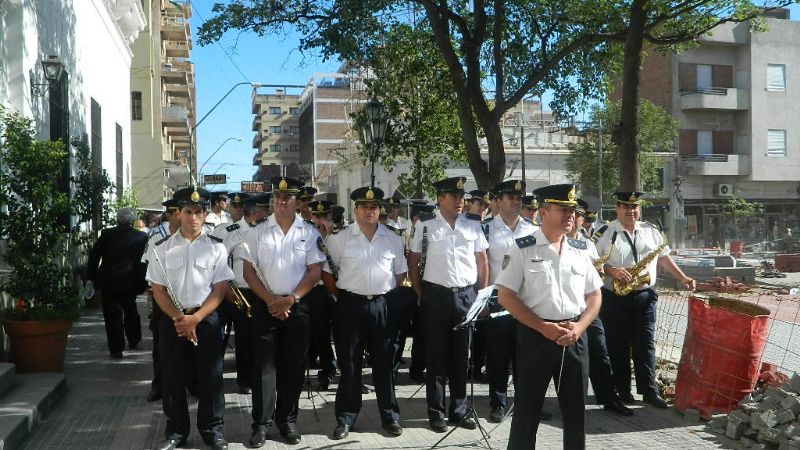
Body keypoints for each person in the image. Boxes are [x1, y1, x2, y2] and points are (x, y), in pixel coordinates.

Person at [496, 183, 603, 450]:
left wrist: (579, 327)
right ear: (543, 212)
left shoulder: (580, 249)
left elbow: (594, 295)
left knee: (576, 413)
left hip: (574, 336)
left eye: (572, 210)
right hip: (536, 336)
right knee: (527, 410)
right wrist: (542, 327)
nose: (570, 215)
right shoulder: (523, 248)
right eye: (562, 209)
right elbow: (505, 296)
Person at [240, 177, 326, 447]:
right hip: (266, 307)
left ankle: (287, 421)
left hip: (297, 308)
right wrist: (271, 301)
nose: (281, 201)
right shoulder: (258, 231)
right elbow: (248, 271)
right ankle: (261, 425)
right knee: (263, 369)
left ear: (297, 202)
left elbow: (315, 272)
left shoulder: (309, 232)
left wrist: (291, 299)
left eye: (287, 197)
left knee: (294, 367)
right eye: (277, 197)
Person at [146, 187, 233, 450]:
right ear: (178, 213)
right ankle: (176, 432)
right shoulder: (161, 249)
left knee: (211, 377)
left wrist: (195, 318)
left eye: (197, 212)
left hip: (205, 318)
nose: (192, 217)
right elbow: (157, 290)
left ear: (204, 214)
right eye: (187, 212)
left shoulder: (217, 248)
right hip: (173, 319)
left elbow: (220, 289)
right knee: (172, 377)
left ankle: (212, 430)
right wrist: (179, 318)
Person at [594, 191, 695, 410]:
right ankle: (622, 391)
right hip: (615, 296)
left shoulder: (651, 230)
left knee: (645, 344)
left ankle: (649, 391)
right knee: (617, 345)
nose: (631, 211)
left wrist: (683, 277)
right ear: (617, 209)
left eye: (634, 207)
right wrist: (612, 271)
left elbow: (663, 257)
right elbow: (594, 262)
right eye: (626, 207)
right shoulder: (605, 232)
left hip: (645, 295)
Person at [323, 186, 408, 439]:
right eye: (363, 206)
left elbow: (400, 273)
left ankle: (390, 417)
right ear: (355, 209)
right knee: (350, 365)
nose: (368, 211)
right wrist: (344, 298)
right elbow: (328, 274)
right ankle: (345, 418)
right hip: (350, 306)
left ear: (379, 210)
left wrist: (381, 293)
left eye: (373, 207)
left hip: (382, 305)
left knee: (385, 364)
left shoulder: (393, 238)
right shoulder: (339, 238)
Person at [407, 176, 489, 433]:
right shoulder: (425, 225)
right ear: (440, 198)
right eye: (454, 196)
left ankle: (459, 410)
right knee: (436, 357)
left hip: (465, 296)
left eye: (462, 196)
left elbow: (482, 261)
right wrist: (421, 293)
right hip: (436, 296)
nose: (460, 200)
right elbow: (413, 261)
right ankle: (436, 412)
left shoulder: (472, 225)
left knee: (461, 358)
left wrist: (481, 295)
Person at [569, 199, 633, 417]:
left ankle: (609, 398)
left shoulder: (587, 244)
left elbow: (598, 270)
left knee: (599, 351)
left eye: (579, 216)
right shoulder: (553, 242)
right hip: (562, 308)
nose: (575, 220)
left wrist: (602, 271)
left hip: (587, 306)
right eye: (572, 214)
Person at [482, 180, 538, 423]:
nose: (516, 202)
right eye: (510, 198)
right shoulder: (486, 229)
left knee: (526, 355)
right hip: (499, 300)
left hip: (527, 300)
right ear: (498, 201)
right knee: (498, 355)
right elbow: (482, 265)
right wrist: (483, 299)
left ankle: (527, 403)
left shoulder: (533, 229)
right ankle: (498, 403)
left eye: (518, 198)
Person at [210, 192, 263, 395]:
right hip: (235, 290)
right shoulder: (230, 231)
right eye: (263, 210)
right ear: (254, 212)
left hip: (259, 291)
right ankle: (235, 379)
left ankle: (254, 378)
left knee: (255, 337)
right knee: (234, 338)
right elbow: (217, 261)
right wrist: (226, 288)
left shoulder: (264, 230)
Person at [87, 207, 149, 359]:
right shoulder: (141, 236)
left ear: (117, 219)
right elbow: (145, 261)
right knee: (131, 310)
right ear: (133, 220)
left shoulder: (107, 234)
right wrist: (145, 280)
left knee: (111, 314)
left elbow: (94, 255)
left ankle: (116, 348)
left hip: (109, 280)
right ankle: (134, 339)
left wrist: (91, 277)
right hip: (131, 280)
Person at [143, 199, 181, 402]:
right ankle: (159, 385)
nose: (181, 216)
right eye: (177, 212)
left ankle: (192, 383)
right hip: (163, 298)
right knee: (162, 345)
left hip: (189, 299)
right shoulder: (157, 235)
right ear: (170, 215)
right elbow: (148, 267)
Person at [307, 199, 338, 390]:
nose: (320, 221)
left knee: (343, 334)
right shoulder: (307, 237)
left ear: (331, 218)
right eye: (316, 217)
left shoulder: (340, 237)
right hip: (317, 290)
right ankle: (327, 372)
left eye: (324, 217)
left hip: (338, 290)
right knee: (321, 335)